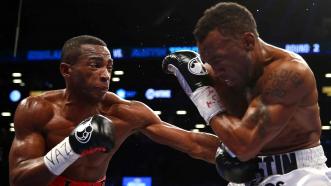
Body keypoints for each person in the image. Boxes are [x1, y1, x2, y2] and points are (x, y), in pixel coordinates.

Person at [8, 35, 220, 186]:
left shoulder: (125, 112)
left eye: (109, 67)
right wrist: (71, 147)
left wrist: (248, 152)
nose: (105, 74)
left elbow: (194, 144)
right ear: (66, 70)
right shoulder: (37, 109)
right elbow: (19, 179)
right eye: (95, 65)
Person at [162, 2, 331, 186]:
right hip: (247, 177)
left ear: (248, 42)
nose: (215, 71)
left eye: (219, 60)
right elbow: (212, 144)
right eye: (208, 62)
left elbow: (244, 146)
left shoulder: (289, 73)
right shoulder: (226, 74)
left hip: (300, 175)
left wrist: (202, 94)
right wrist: (143, 121)